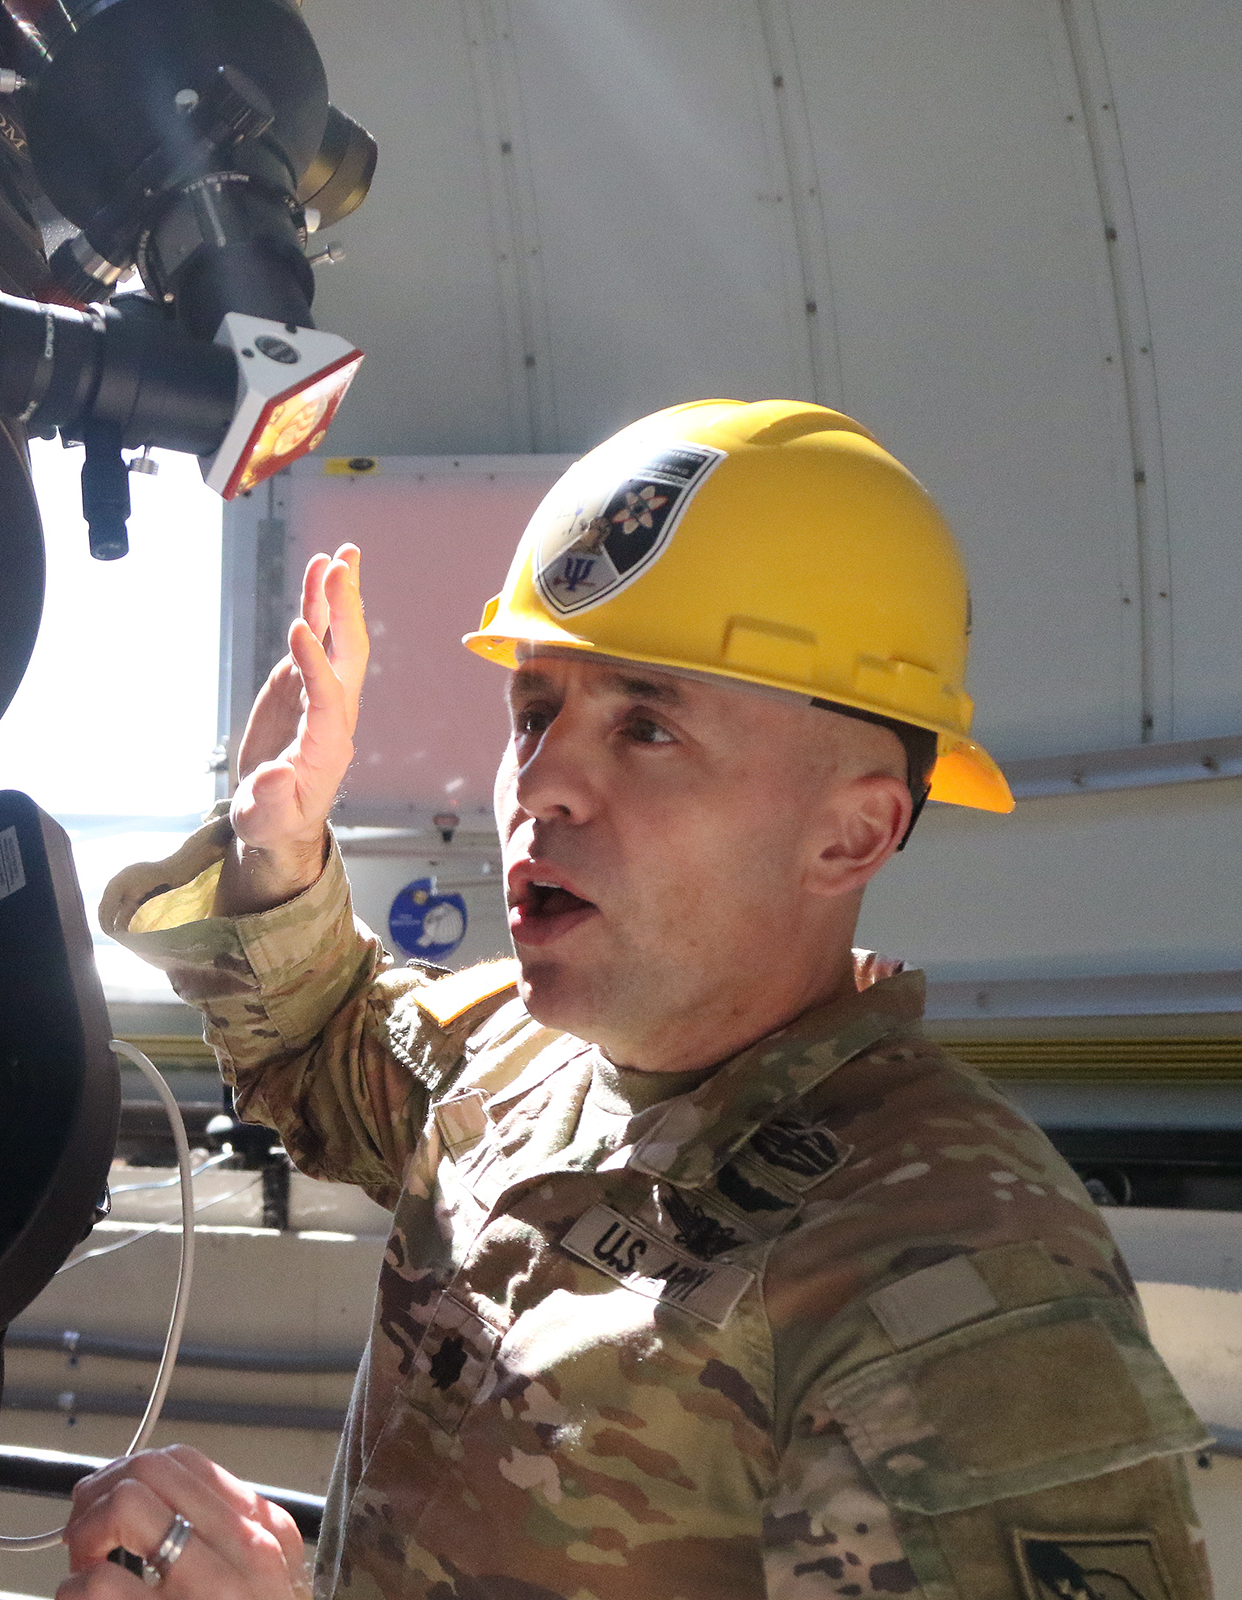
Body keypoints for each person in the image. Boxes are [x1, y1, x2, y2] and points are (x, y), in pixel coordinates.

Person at [59, 400, 1213, 1600]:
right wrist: (278, 846)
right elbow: (325, 1041)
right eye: (533, 714)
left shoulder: (951, 1272)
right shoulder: (522, 1056)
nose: (539, 782)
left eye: (647, 726)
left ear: (852, 832)